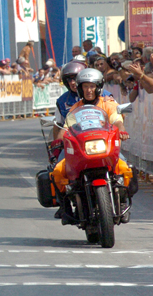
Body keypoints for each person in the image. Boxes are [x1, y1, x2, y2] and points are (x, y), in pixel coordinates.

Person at [51, 68, 132, 223]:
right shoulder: (74, 109)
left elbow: (117, 120)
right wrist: (59, 140)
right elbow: (66, 129)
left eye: (92, 86)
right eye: (85, 87)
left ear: (98, 87)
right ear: (80, 89)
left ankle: (122, 201)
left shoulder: (108, 103)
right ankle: (65, 207)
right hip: (82, 150)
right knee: (58, 171)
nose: (88, 90)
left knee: (125, 168)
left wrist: (121, 130)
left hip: (104, 147)